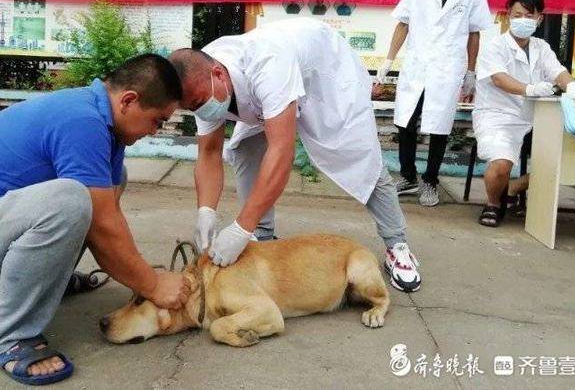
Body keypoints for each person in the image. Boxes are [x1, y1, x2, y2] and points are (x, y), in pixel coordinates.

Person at [0, 53, 190, 386]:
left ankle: (49, 281)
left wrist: (143, 273)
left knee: (106, 184)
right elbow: (101, 226)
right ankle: (8, 338)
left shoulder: (104, 124)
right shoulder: (82, 121)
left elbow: (108, 219)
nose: (155, 131)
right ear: (129, 101)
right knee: (71, 199)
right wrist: (153, 285)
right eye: (158, 121)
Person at [169, 18, 422, 293]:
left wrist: (240, 228)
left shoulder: (266, 64)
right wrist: (206, 211)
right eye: (191, 107)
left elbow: (281, 152)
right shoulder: (200, 81)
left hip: (327, 77)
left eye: (199, 103)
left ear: (218, 74)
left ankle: (396, 244)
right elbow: (208, 152)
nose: (201, 110)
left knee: (360, 158)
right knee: (244, 147)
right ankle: (263, 236)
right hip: (276, 83)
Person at [376, 0, 493, 206]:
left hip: (447, 69)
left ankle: (430, 181)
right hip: (417, 65)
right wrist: (389, 60)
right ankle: (408, 176)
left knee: (440, 127)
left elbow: (474, 34)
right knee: (405, 121)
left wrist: (471, 71)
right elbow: (403, 24)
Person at [473, 0, 573, 226]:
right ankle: (494, 204)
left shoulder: (542, 47)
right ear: (508, 16)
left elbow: (558, 73)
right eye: (517, 15)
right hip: (498, 115)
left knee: (568, 157)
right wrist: (530, 89)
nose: (522, 20)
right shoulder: (494, 46)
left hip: (538, 116)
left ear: (539, 19)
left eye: (529, 16)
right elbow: (499, 79)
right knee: (500, 165)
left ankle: (515, 188)